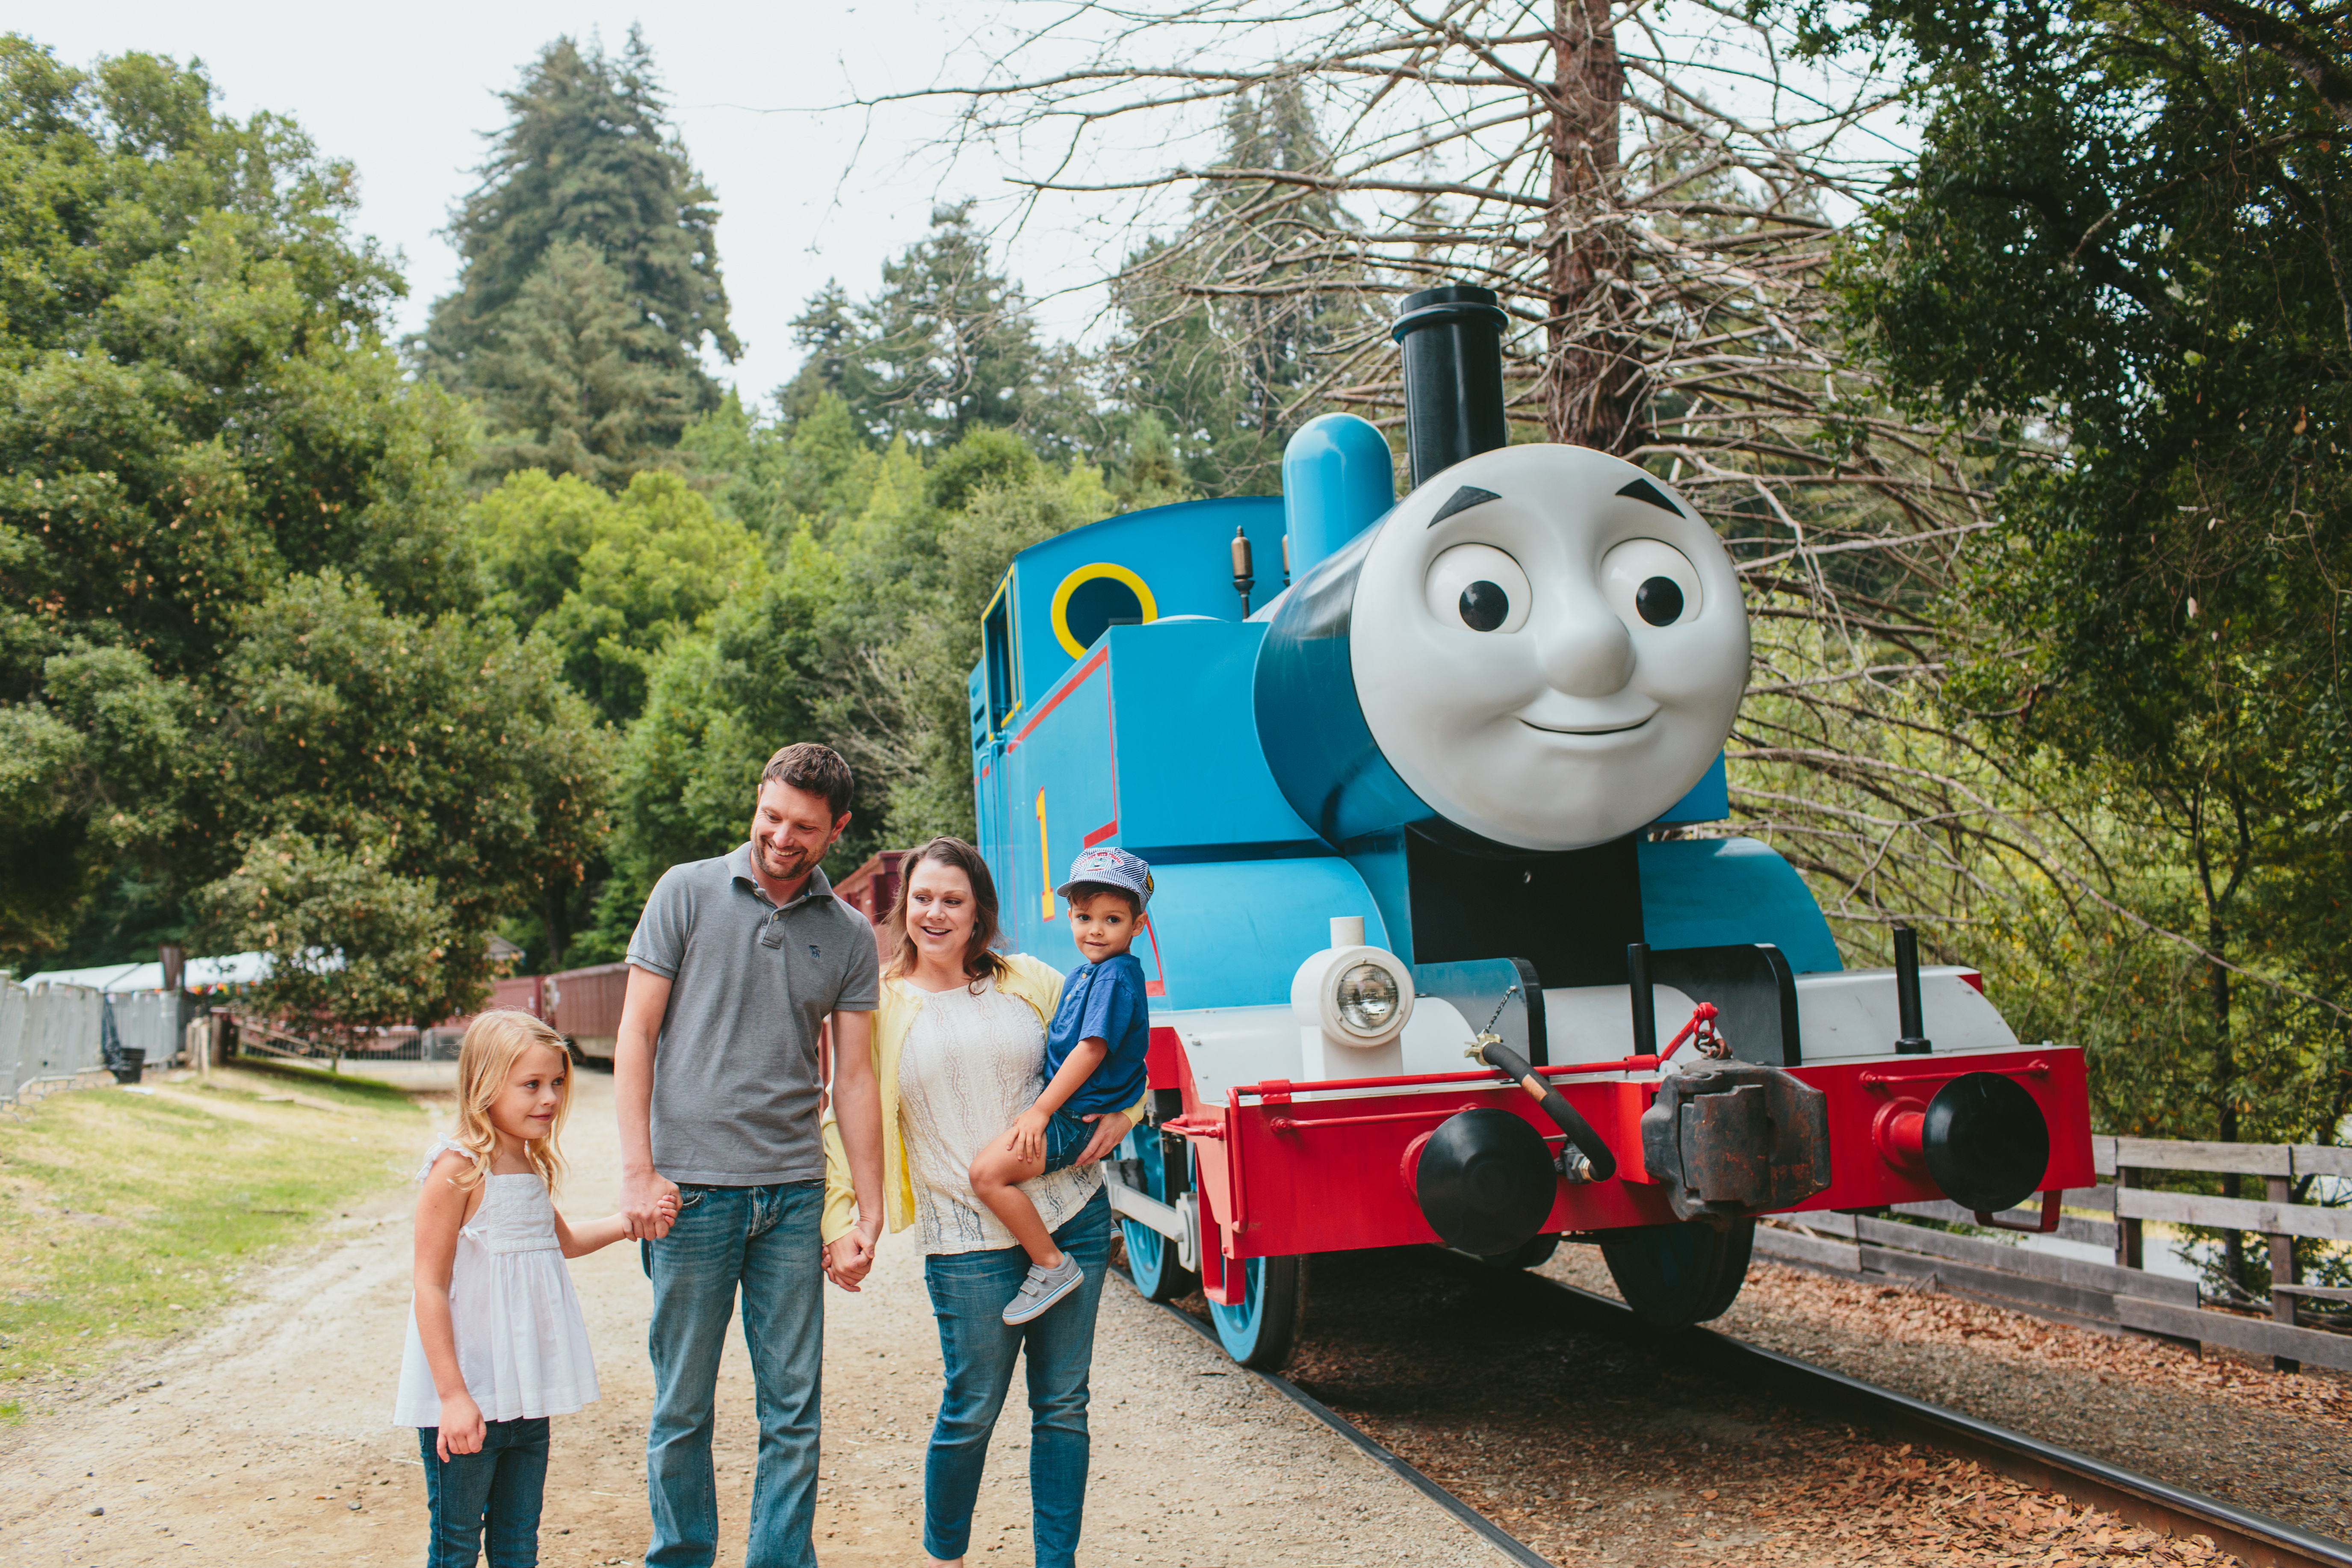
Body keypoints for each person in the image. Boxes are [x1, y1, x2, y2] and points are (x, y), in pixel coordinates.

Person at [820, 837, 1146, 1568]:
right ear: (906, 907)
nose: (935, 913)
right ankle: (947, 1557)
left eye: (953, 900)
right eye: (924, 898)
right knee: (970, 1412)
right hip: (964, 1242)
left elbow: (1116, 1044)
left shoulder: (1028, 977)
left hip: (1071, 1213)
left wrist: (1133, 1111)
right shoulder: (878, 1003)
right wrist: (847, 1220)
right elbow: (849, 1113)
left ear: (978, 913)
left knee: (1063, 1407)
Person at [613, 742, 886, 1568]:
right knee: (683, 1407)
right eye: (772, 816)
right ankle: (682, 1557)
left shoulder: (848, 934)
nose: (781, 836)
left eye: (804, 827)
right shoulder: (685, 890)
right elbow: (636, 1033)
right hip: (688, 1193)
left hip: (794, 1197)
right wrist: (637, 1168)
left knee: (793, 1411)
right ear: (759, 802)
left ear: (835, 831)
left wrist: (866, 1210)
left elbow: (858, 1080)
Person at [395, 1008, 656, 1568]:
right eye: (532, 1084)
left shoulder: (529, 1164)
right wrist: (452, 1397)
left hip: (526, 1397)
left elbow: (563, 1240)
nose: (550, 1098)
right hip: (469, 1401)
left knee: (518, 1542)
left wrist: (634, 1217)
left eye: (558, 1082)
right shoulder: (457, 1169)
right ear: (485, 1083)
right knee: (457, 1544)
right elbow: (430, 1285)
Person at [966, 846, 1154, 1325]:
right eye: (1084, 916)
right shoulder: (1091, 972)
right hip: (1071, 1111)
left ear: (1137, 926)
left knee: (987, 1175)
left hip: (1073, 1117)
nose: (1095, 929)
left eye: (1112, 919)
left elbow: (1091, 1050)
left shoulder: (1113, 977)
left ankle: (1052, 1264)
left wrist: (1040, 1111)